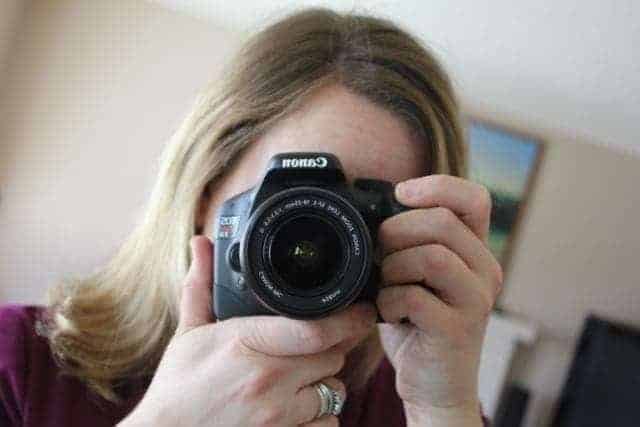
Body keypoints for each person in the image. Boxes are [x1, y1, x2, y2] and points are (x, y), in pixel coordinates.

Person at [0, 7, 502, 427]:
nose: (317, 240)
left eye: (361, 210)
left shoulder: (412, 406)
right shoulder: (19, 363)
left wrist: (443, 408)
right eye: (292, 198)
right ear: (203, 190)